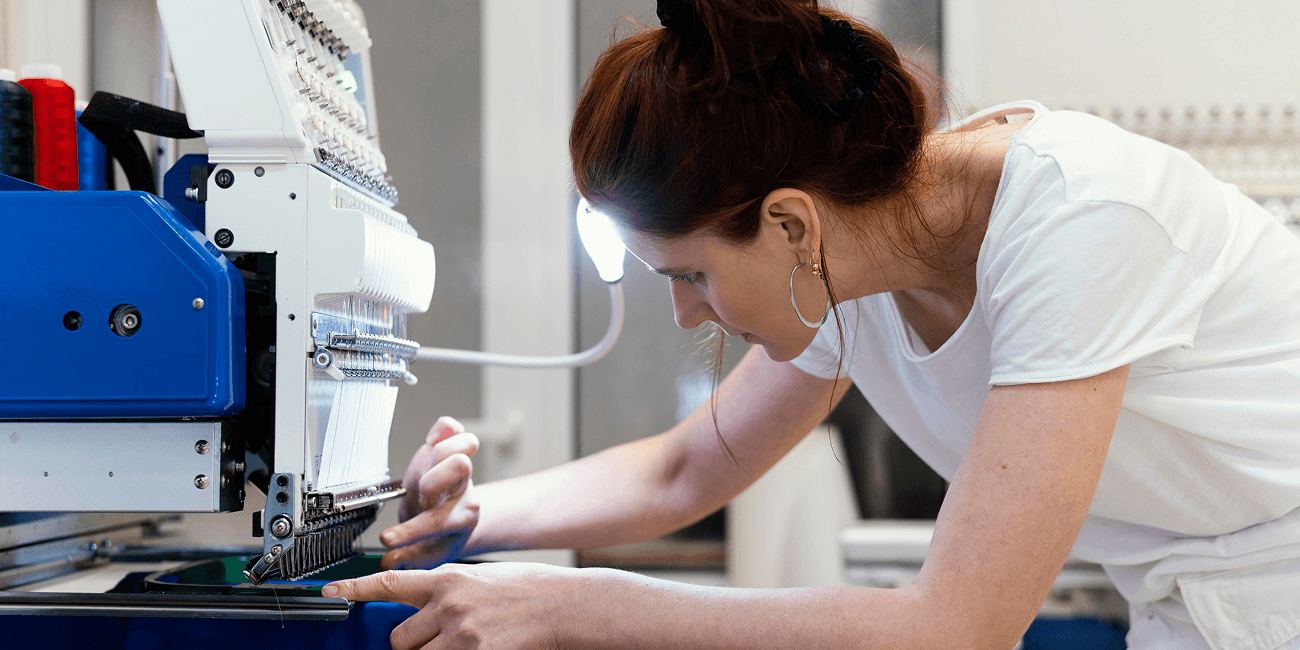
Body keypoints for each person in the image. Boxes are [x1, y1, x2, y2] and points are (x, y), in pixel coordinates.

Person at [323, 1, 1300, 647]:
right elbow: (684, 468)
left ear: (788, 221)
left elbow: (956, 629)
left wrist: (569, 603)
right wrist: (467, 516)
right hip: (1193, 599)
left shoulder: (1080, 222)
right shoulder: (850, 256)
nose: (685, 309)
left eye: (694, 272)